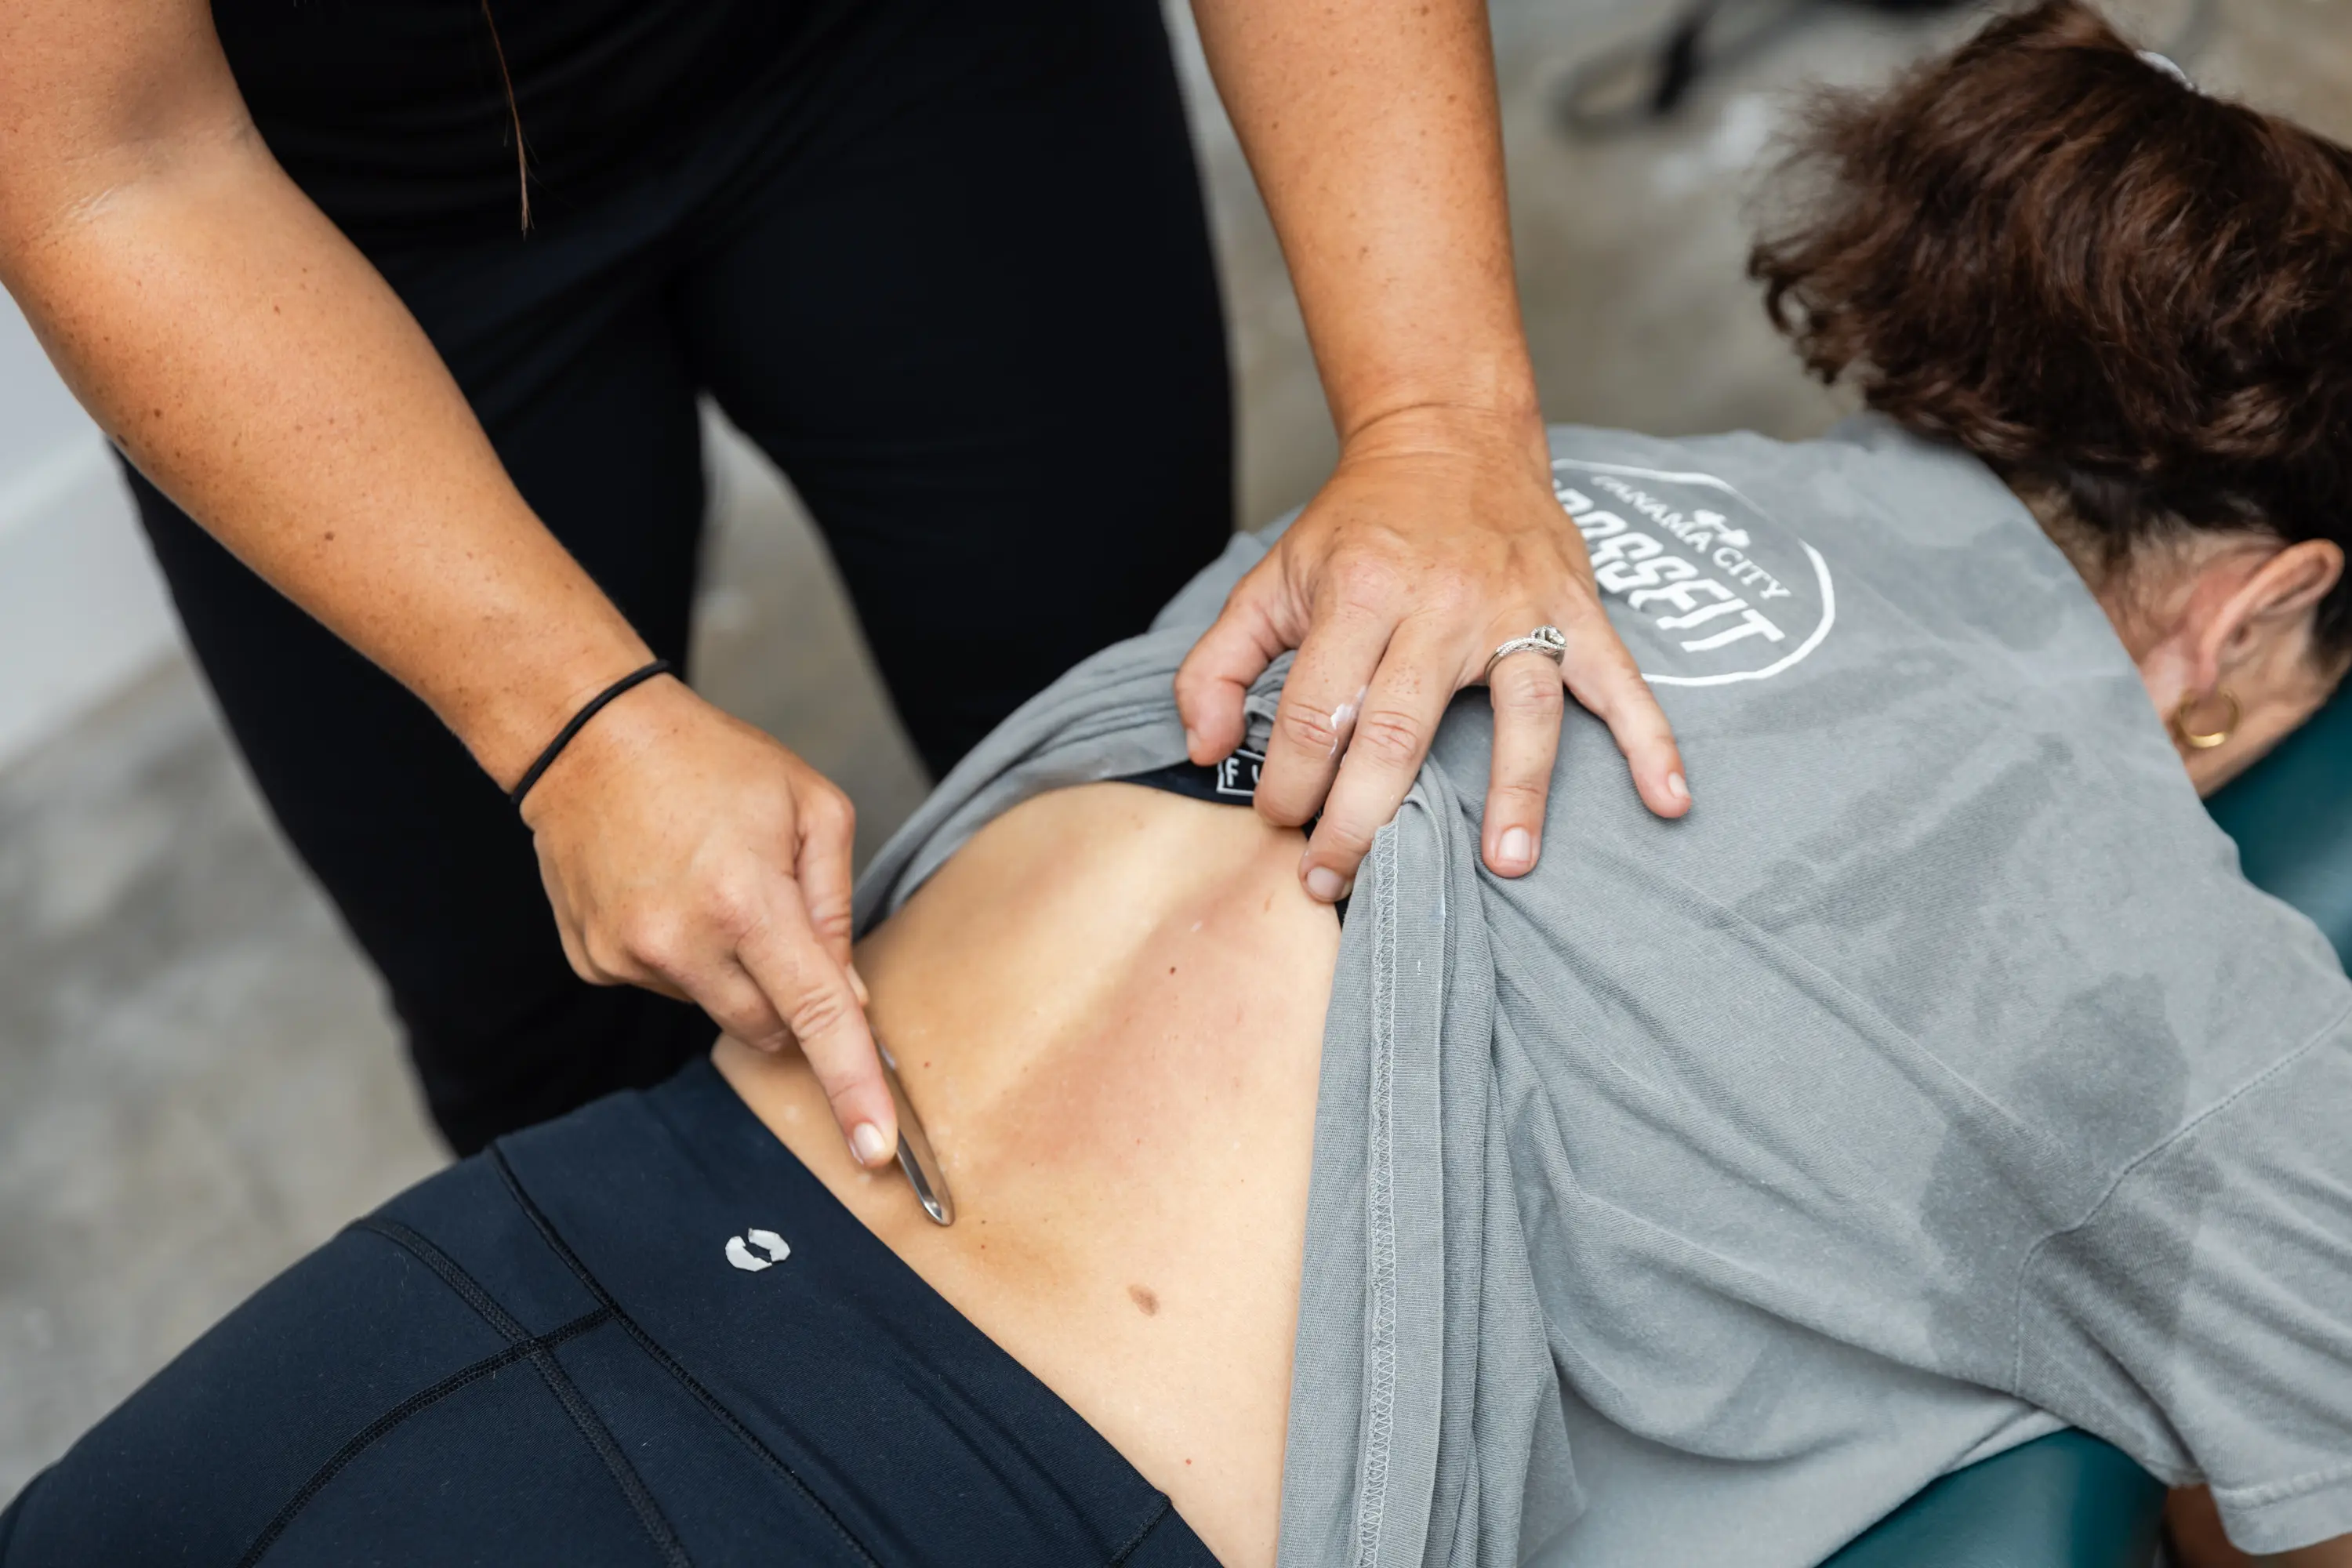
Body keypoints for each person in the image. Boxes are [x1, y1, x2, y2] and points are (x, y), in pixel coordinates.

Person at [8, 5, 2352, 1565]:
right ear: (2258, 620)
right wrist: (566, 723)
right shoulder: (2187, 1009)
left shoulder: (1545, 498)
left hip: (552, 1254)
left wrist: (1439, 421)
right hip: (955, 1493)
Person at [0, 0, 1690, 1161]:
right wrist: (575, 725)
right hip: (308, 194)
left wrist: (1438, 420)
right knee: (554, 1019)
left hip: (909, 56)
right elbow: (107, 160)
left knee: (1149, 772)